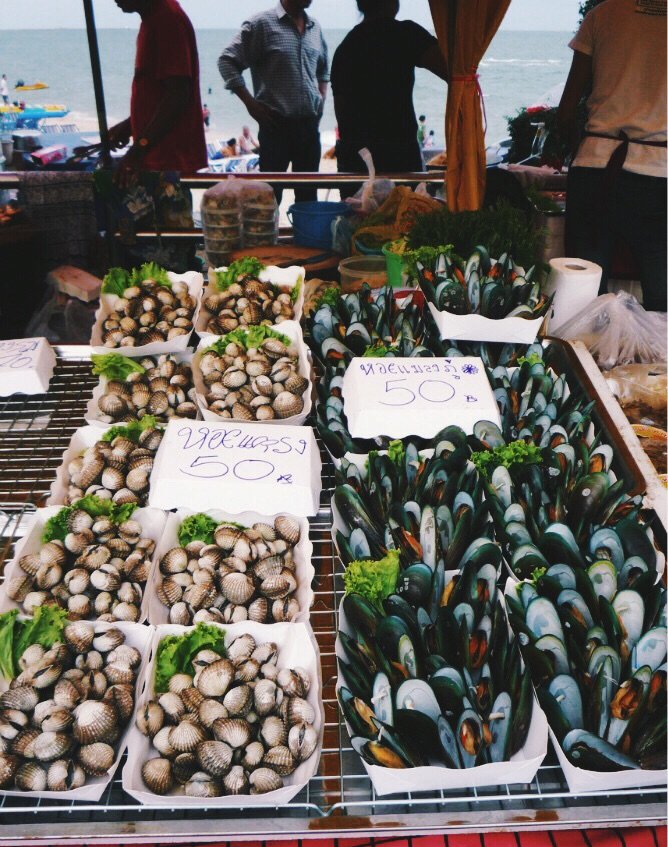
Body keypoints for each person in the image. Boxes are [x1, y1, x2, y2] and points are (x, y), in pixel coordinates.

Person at [557, 0, 666, 312]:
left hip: (596, 165)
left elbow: (566, 113)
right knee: (663, 300)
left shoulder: (603, 14)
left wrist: (576, 148)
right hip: (659, 172)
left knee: (584, 298)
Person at [218, 0, 329, 202]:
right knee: (270, 199)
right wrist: (251, 104)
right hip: (275, 126)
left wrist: (321, 99)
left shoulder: (315, 28)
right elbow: (227, 61)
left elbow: (323, 70)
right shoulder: (261, 24)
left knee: (308, 198)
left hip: (309, 129)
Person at [331, 1, 447, 187]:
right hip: (399, 155)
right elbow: (453, 70)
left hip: (357, 159)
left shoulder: (346, 48)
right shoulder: (406, 34)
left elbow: (342, 115)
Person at [108, 0, 207, 184]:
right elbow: (159, 95)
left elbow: (177, 95)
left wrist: (138, 150)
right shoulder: (153, 18)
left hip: (167, 161)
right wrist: (129, 126)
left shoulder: (167, 18)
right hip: (157, 158)